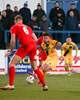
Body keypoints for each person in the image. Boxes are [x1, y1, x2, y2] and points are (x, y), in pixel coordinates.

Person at [0, 15, 48, 91]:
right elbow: (36, 39)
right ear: (21, 21)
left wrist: (11, 51)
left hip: (25, 45)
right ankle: (44, 85)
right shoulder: (28, 27)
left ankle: (11, 84)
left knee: (11, 64)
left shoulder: (14, 27)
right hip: (33, 46)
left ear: (15, 21)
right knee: (35, 68)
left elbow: (13, 41)